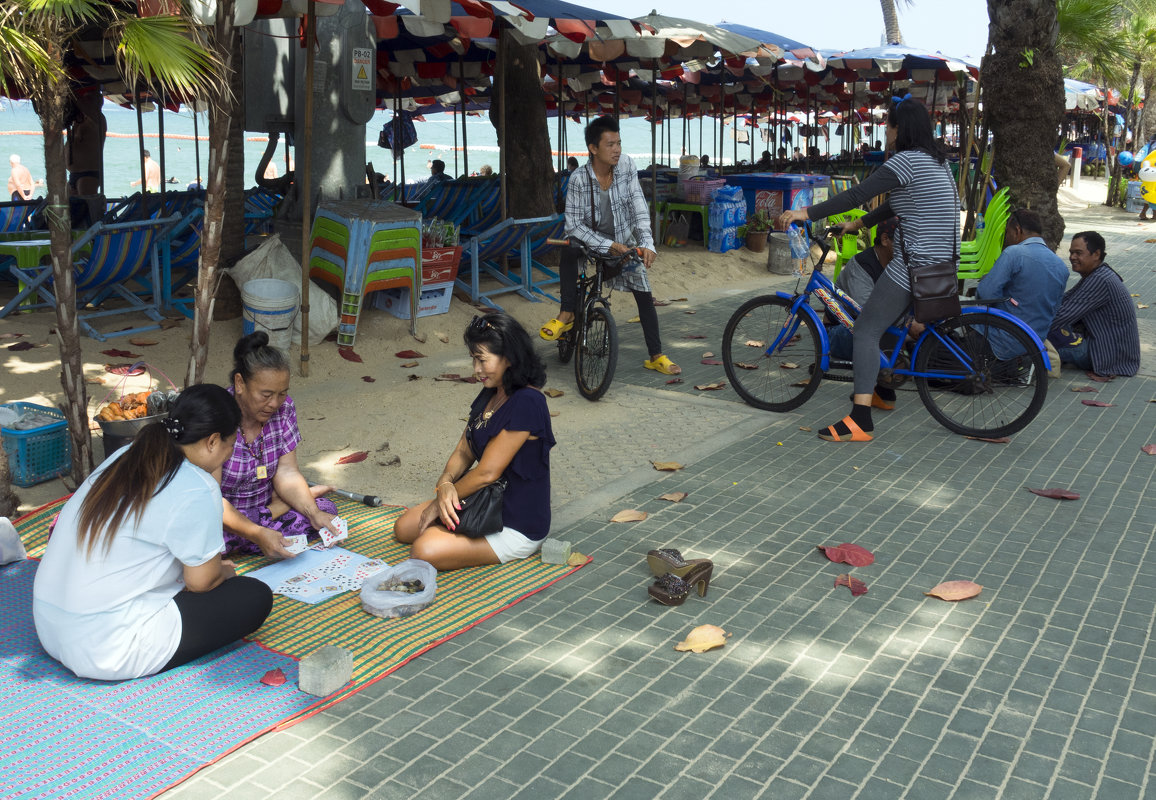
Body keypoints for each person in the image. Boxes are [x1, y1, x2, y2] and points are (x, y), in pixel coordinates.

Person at [32, 384, 273, 681]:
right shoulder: (196, 486)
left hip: (49, 625)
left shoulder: (126, 455)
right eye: (230, 444)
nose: (229, 454)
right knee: (254, 596)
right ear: (212, 441)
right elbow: (200, 583)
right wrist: (224, 572)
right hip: (107, 647)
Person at [779, 95, 958, 442]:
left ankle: (859, 419)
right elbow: (897, 202)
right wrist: (860, 223)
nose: (885, 130)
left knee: (864, 331)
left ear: (898, 128)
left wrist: (807, 213)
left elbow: (855, 194)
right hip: (940, 263)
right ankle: (881, 390)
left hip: (913, 264)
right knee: (884, 323)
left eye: (888, 124)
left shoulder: (905, 161)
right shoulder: (934, 162)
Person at [395, 313, 555, 570]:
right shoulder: (492, 391)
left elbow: (487, 473)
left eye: (482, 360)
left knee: (423, 549)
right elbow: (463, 451)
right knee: (403, 528)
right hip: (483, 501)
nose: (476, 369)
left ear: (510, 358)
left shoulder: (529, 402)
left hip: (515, 523)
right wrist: (444, 483)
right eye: (473, 359)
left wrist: (441, 501)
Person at [538, 116, 682, 376]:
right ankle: (566, 313)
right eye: (610, 144)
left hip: (622, 241)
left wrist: (647, 243)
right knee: (570, 248)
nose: (617, 150)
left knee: (643, 290)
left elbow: (639, 205)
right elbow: (573, 225)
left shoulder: (626, 165)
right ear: (593, 148)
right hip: (589, 239)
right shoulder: (579, 179)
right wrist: (608, 244)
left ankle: (656, 355)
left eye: (619, 143)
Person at [220, 332, 339, 558]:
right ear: (239, 383)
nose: (274, 403)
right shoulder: (218, 416)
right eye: (265, 395)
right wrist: (256, 530)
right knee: (206, 538)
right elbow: (209, 500)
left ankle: (264, 530)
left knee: (324, 512)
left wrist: (312, 512)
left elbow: (287, 471)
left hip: (266, 513)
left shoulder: (285, 409)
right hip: (224, 517)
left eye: (282, 394)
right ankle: (259, 535)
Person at [975, 208, 1068, 359]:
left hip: (1001, 338)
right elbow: (1055, 308)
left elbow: (985, 294)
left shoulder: (1014, 253)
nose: (1006, 238)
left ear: (1017, 230)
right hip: (1034, 342)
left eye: (1007, 232)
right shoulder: (1061, 266)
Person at [1048, 231, 1140, 377]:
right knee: (1048, 333)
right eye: (1071, 253)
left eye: (1078, 253)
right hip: (1112, 349)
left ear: (1096, 254)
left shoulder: (1100, 280)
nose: (1072, 257)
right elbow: (1066, 301)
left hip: (1109, 356)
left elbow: (1060, 316)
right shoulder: (1098, 274)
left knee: (1038, 346)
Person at [826, 216, 899, 363]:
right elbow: (868, 313)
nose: (909, 246)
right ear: (885, 240)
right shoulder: (860, 266)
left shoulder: (898, 263)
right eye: (903, 241)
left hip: (880, 325)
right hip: (844, 331)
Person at [66, 89, 106, 197]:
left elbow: (80, 102)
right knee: (72, 209)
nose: (85, 100)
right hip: (73, 173)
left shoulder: (98, 119)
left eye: (88, 98)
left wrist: (70, 90)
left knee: (86, 207)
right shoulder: (78, 120)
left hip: (88, 173)